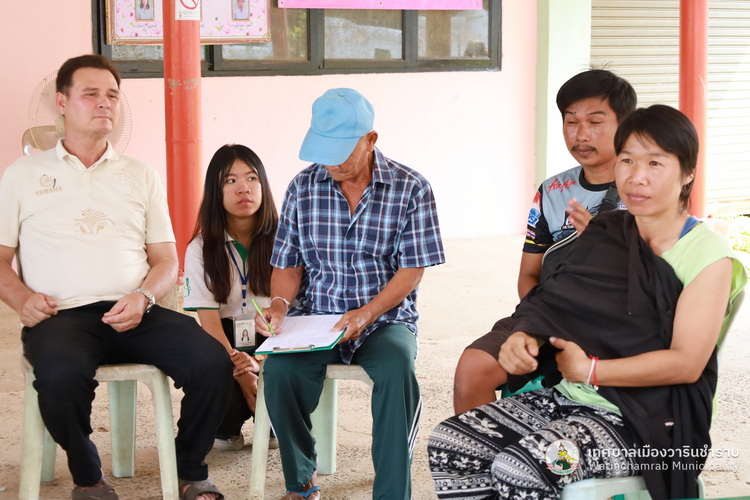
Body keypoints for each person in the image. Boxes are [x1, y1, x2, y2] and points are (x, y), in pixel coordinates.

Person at [428, 105, 746, 500]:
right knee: (452, 442)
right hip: (572, 399)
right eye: (627, 160)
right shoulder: (609, 231)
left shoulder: (708, 256)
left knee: (523, 466)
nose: (637, 176)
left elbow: (687, 363)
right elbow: (555, 299)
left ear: (687, 173)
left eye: (655, 163)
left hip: (648, 422)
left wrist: (592, 371)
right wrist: (525, 336)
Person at [0, 55, 230, 500]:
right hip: (62, 317)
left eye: (112, 95)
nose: (104, 103)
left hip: (137, 311)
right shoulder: (23, 175)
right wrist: (21, 298)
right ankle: (89, 478)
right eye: (91, 94)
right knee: (60, 377)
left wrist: (144, 297)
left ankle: (189, 469)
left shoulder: (140, 174)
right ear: (61, 102)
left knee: (212, 362)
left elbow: (166, 261)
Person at [254, 88, 445, 500]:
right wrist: (279, 306)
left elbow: (412, 271)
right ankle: (301, 481)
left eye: (340, 151)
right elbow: (287, 264)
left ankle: (391, 493)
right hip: (317, 318)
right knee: (279, 374)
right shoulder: (302, 188)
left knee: (397, 370)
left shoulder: (411, 188)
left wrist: (366, 313)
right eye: (323, 151)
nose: (331, 162)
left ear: (370, 140)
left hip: (384, 319)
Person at [453, 69, 637, 414]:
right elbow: (529, 275)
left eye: (595, 122)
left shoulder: (646, 188)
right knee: (473, 367)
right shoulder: (552, 191)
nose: (581, 134)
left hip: (615, 323)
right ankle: (482, 449)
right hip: (548, 315)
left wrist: (604, 244)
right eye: (571, 122)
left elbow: (656, 279)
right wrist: (539, 320)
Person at [183, 144, 279, 452]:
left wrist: (260, 362)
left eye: (251, 178)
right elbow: (209, 322)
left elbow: (296, 310)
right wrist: (242, 370)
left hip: (273, 337)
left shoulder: (284, 239)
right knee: (215, 374)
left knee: (284, 376)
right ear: (216, 190)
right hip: (224, 339)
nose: (243, 188)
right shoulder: (200, 248)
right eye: (230, 180)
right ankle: (226, 427)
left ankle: (276, 422)